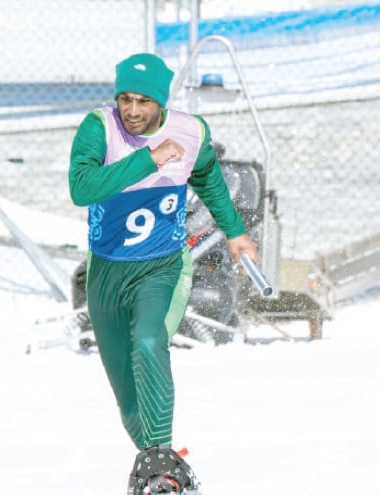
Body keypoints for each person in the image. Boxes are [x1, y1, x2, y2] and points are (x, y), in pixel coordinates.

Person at [68, 53, 258, 455]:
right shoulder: (99, 127)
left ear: (161, 102)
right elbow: (82, 188)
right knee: (127, 395)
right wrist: (147, 159)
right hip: (106, 270)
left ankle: (163, 467)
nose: (132, 112)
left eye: (144, 102)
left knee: (150, 343)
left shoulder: (190, 132)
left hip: (163, 266)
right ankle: (161, 466)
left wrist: (235, 231)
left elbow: (206, 175)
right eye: (125, 100)